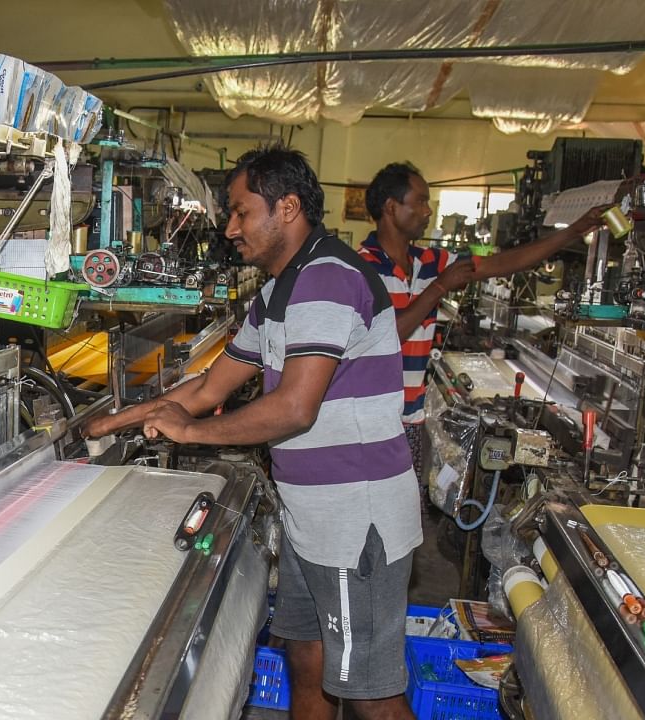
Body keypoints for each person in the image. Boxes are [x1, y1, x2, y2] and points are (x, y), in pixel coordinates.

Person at [86, 146, 420, 720]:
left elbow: (294, 409)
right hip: (308, 516)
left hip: (353, 522)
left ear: (287, 208)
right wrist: (107, 424)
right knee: (307, 661)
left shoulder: (326, 279)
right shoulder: (277, 292)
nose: (230, 228)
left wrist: (189, 434)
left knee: (372, 699)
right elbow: (209, 388)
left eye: (241, 212)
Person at [358, 162, 605, 478]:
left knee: (404, 513)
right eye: (420, 201)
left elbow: (502, 263)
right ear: (392, 208)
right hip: (371, 423)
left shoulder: (430, 261)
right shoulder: (359, 268)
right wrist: (439, 288)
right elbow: (387, 335)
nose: (428, 211)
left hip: (411, 418)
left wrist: (573, 230)